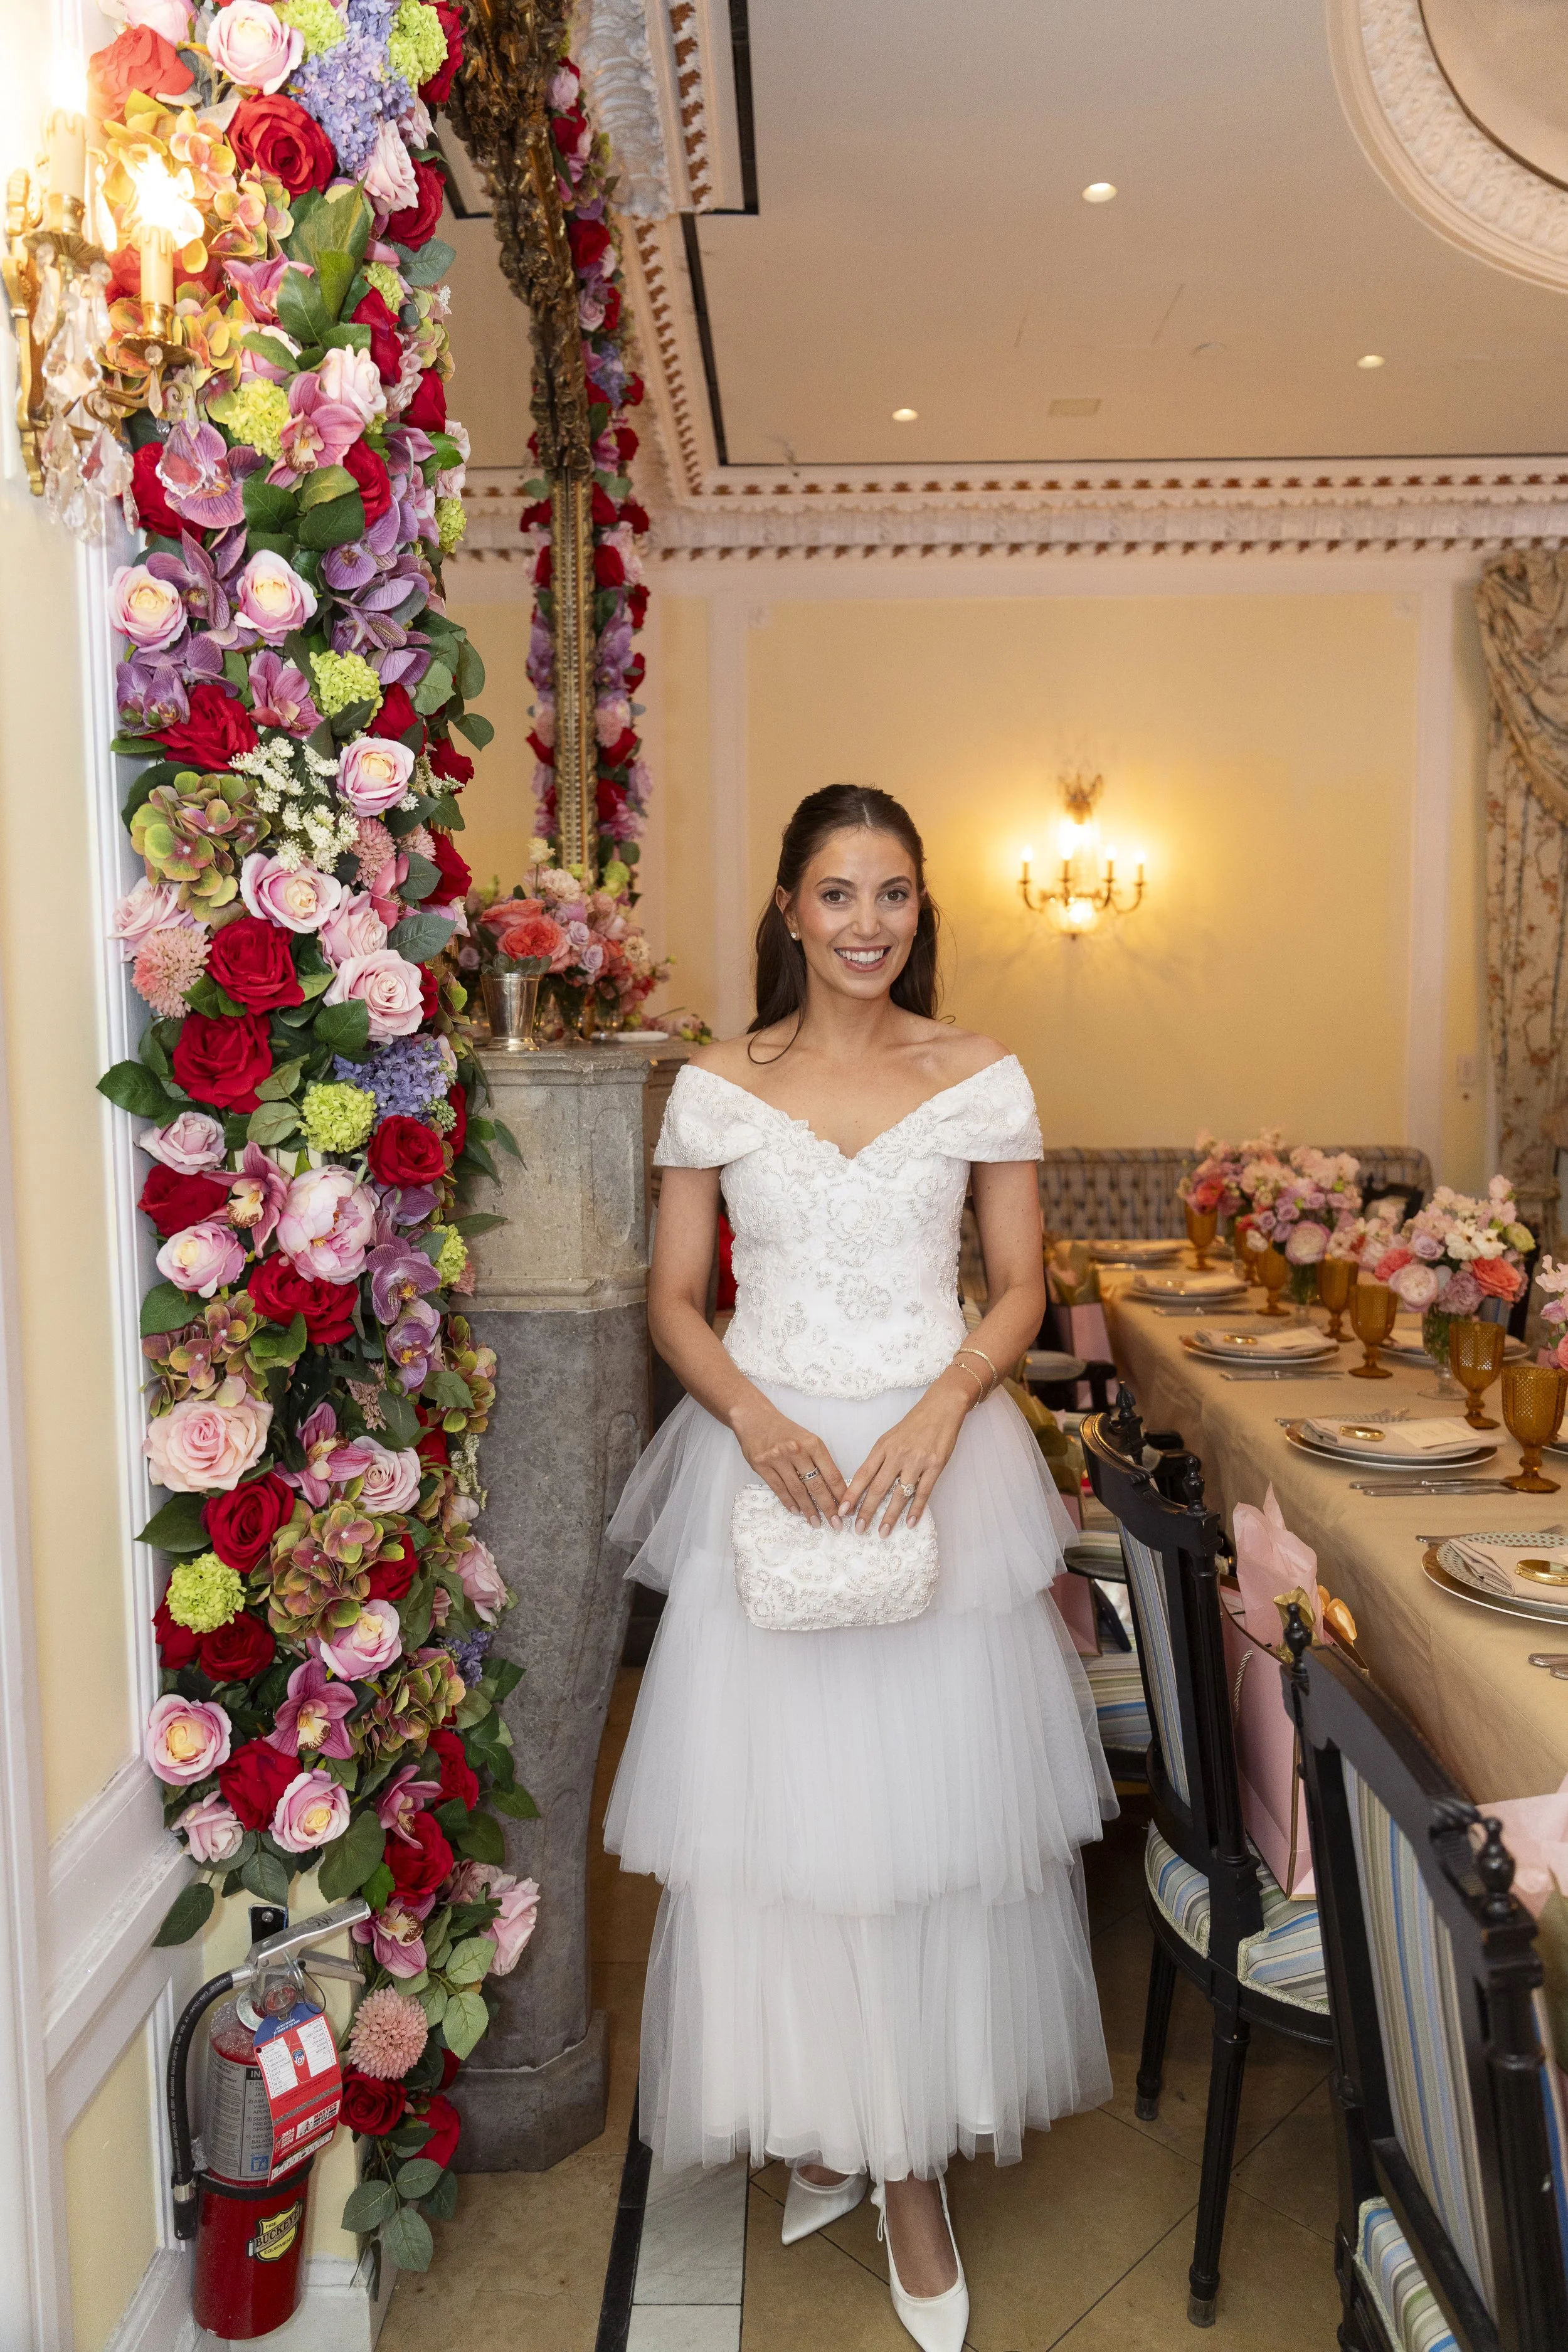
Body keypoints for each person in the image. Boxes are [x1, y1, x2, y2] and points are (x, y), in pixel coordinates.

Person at [604, 784, 1114, 2350]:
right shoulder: (711, 1085)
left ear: (920, 908)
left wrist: (945, 1410)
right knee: (784, 1833)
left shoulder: (977, 1075)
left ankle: (909, 2171)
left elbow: (1020, 1284)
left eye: (893, 894)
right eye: (836, 894)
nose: (867, 924)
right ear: (785, 907)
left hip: (930, 1473)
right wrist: (751, 1420)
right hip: (765, 1467)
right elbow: (675, 1300)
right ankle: (824, 2114)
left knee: (925, 1834)